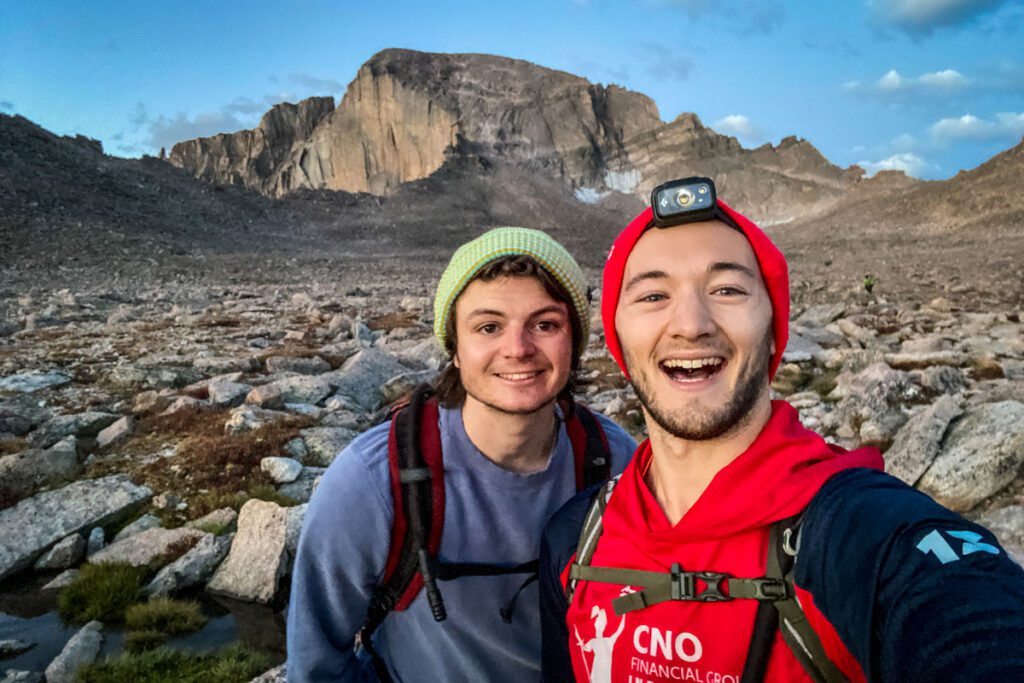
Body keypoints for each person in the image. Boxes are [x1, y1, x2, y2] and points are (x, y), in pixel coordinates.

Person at [540, 190, 1024, 682]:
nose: (691, 324)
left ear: (775, 329)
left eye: (727, 290)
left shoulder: (859, 534)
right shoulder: (574, 541)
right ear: (617, 336)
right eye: (652, 296)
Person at [287, 227, 637, 682]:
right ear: (454, 347)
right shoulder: (374, 482)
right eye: (488, 327)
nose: (518, 349)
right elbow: (315, 666)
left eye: (545, 324)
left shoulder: (616, 462)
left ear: (574, 342)